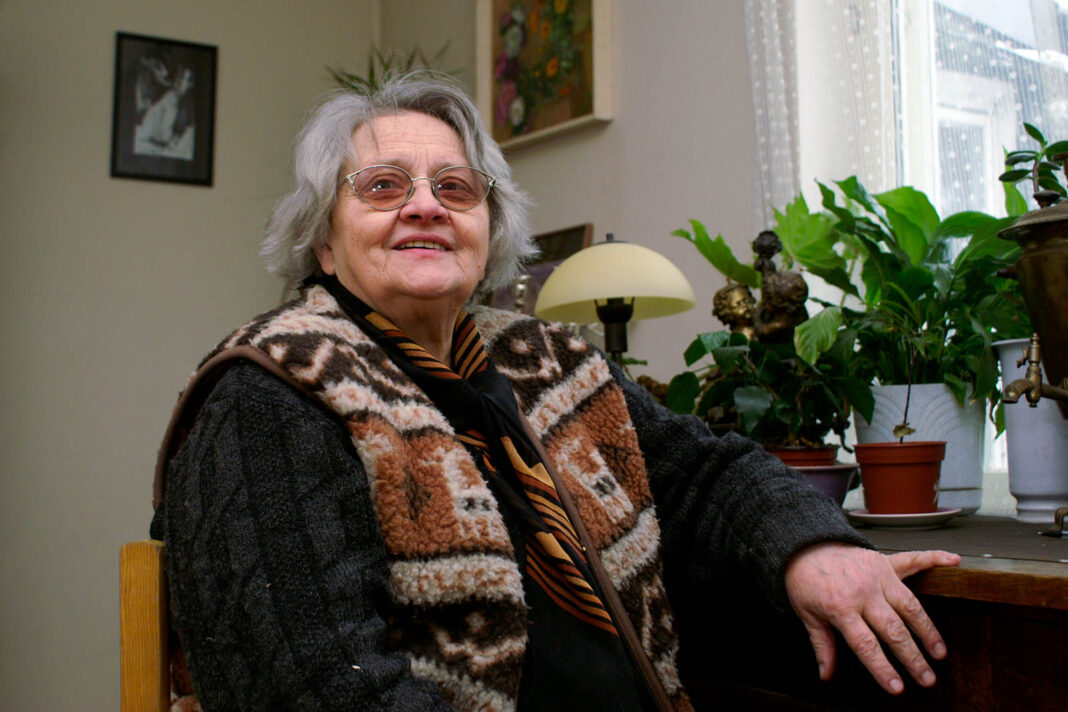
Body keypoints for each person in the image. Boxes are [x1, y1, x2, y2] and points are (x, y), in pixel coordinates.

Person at [151, 72, 960, 712]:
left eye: (456, 189)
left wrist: (811, 548)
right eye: (383, 186)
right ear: (324, 241)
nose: (426, 206)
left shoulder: (546, 359)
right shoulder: (269, 393)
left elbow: (704, 474)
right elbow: (318, 687)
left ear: (489, 228)